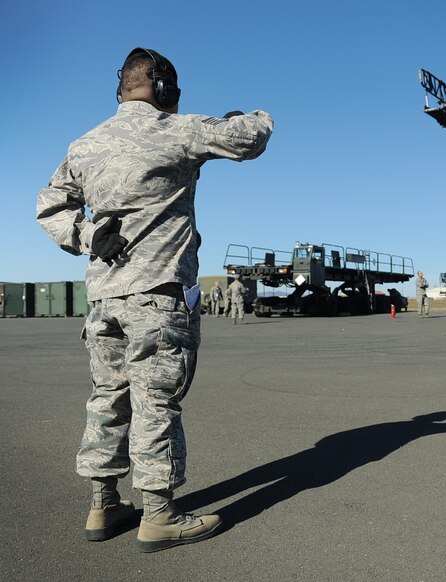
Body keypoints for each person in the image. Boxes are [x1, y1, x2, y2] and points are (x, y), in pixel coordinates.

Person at [35, 47, 273, 552]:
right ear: (164, 88)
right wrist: (244, 117)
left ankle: (104, 505)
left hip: (102, 300)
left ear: (120, 88)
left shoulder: (85, 144)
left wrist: (84, 236)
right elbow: (253, 137)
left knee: (108, 399)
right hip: (158, 297)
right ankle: (160, 516)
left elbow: (49, 205)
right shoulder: (178, 129)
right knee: (155, 401)